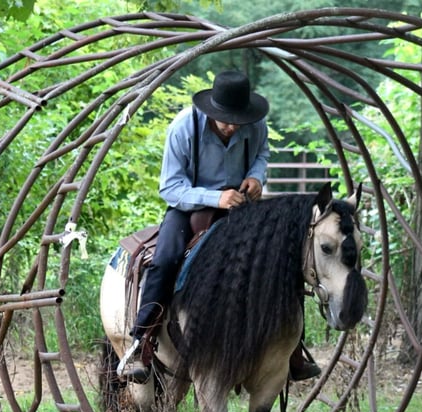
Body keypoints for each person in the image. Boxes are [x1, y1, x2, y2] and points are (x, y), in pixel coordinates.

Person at [117, 70, 321, 382]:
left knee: (279, 257)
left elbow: (262, 155)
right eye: (225, 119)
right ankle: (142, 340)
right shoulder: (184, 127)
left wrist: (256, 177)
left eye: (238, 119)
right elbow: (170, 187)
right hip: (188, 209)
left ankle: (293, 349)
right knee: (166, 258)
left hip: (240, 208)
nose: (232, 126)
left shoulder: (255, 125)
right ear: (211, 110)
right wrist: (215, 198)